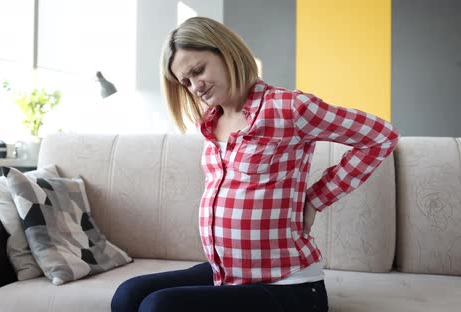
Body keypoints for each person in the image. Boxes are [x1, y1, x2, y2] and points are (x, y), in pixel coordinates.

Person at [111, 16, 399, 312]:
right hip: (228, 275)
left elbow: (380, 137)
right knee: (128, 294)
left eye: (198, 71)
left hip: (288, 286)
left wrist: (314, 199)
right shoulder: (212, 124)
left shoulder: (289, 108)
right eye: (186, 82)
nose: (195, 86)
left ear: (226, 51)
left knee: (160, 307)